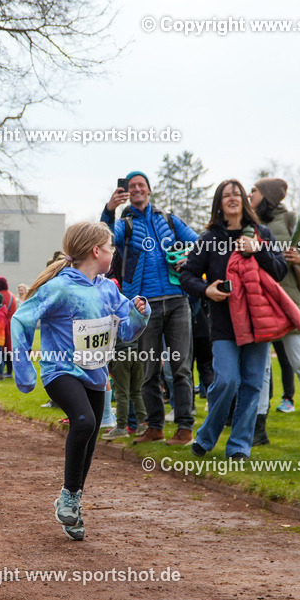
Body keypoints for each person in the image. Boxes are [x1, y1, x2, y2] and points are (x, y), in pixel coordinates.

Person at [12, 222, 149, 540]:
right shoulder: (59, 288)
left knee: (90, 434)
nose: (114, 253)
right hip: (60, 371)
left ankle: (70, 502)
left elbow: (127, 330)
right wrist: (24, 370)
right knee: (84, 421)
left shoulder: (108, 288)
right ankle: (70, 497)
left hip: (96, 374)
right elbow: (21, 321)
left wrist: (139, 313)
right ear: (96, 251)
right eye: (111, 247)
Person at [179, 180, 288, 460]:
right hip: (224, 323)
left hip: (258, 321)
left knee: (252, 383)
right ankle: (206, 436)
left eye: (237, 193)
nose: (232, 198)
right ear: (219, 203)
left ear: (245, 200)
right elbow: (187, 275)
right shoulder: (208, 239)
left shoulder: (261, 233)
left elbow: (279, 271)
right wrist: (206, 290)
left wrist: (258, 249)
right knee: (226, 381)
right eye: (226, 195)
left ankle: (239, 446)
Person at [101, 171, 199, 446]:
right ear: (127, 192)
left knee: (181, 368)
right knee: (149, 371)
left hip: (178, 301)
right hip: (144, 306)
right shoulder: (125, 225)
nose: (136, 189)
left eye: (141, 185)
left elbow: (199, 242)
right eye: (131, 186)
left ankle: (184, 428)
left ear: (149, 190)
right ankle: (154, 427)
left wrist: (186, 257)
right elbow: (104, 238)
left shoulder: (167, 219)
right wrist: (109, 209)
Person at [248, 178, 300, 445]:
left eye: (255, 191)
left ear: (268, 195)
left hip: (289, 304)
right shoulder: (248, 222)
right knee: (261, 370)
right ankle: (259, 428)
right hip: (259, 304)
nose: (250, 194)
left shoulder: (292, 219)